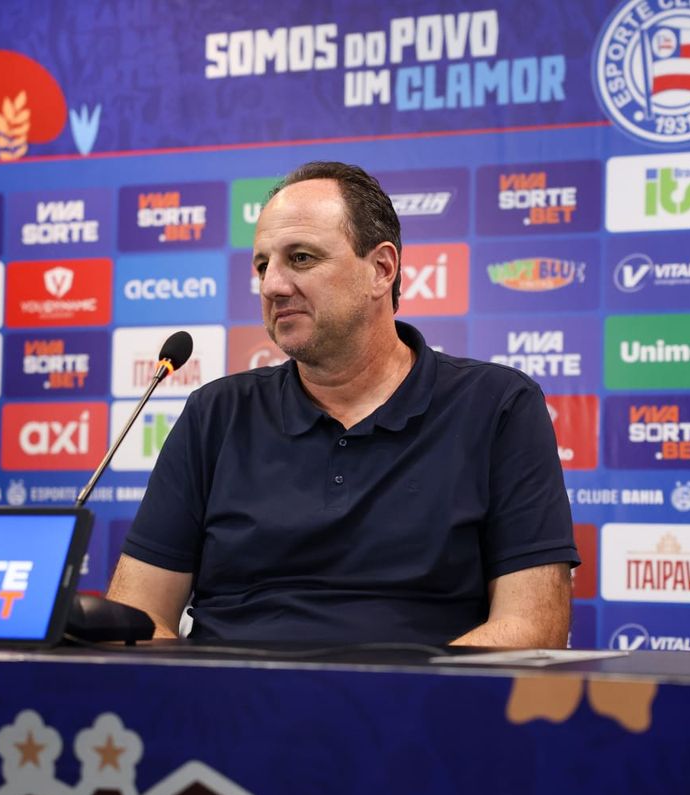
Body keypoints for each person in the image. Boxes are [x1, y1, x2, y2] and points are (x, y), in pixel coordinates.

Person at [107, 161, 578, 646]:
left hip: (415, 711)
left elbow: (532, 627)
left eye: (302, 259)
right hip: (232, 708)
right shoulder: (216, 414)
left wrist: (385, 700)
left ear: (381, 269)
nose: (272, 285)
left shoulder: (497, 406)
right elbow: (135, 616)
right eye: (263, 265)